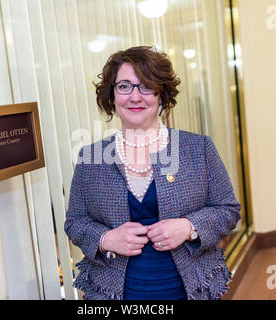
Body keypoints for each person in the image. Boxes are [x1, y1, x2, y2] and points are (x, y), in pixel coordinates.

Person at [64, 46, 241, 300]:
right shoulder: (90, 159)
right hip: (115, 293)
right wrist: (106, 239)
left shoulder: (198, 148)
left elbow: (228, 210)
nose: (135, 97)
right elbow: (75, 222)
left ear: (161, 94)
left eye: (146, 86)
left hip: (189, 289)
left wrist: (189, 227)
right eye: (124, 86)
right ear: (111, 95)